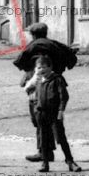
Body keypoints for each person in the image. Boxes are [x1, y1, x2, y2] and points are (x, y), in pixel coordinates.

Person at [13, 22, 78, 162]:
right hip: (55, 83)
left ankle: (44, 152)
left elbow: (19, 62)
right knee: (53, 118)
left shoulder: (33, 45)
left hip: (38, 86)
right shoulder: (56, 44)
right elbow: (72, 59)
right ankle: (55, 153)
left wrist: (32, 68)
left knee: (39, 116)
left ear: (33, 34)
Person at [26, 55, 81, 173]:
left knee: (61, 138)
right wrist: (36, 109)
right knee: (44, 139)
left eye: (44, 67)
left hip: (54, 113)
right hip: (41, 114)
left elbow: (64, 96)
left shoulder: (57, 79)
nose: (42, 70)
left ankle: (70, 161)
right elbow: (32, 94)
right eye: (39, 68)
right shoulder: (38, 81)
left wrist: (61, 111)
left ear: (50, 67)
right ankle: (45, 163)